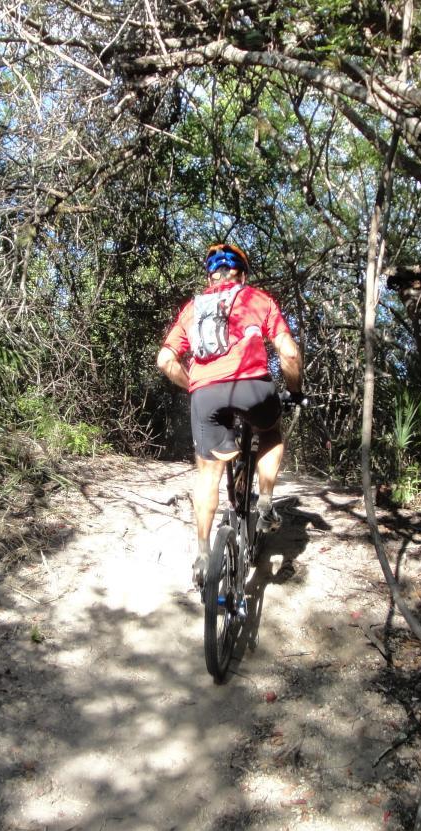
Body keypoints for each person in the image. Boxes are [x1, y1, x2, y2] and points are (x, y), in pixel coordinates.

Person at [156, 242, 303, 587]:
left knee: (207, 474)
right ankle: (265, 502)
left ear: (210, 276)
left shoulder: (193, 309)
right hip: (254, 387)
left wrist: (195, 383)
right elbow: (289, 354)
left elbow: (165, 360)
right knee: (269, 432)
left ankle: (204, 555)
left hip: (206, 393)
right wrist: (295, 392)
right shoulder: (258, 300)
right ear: (243, 273)